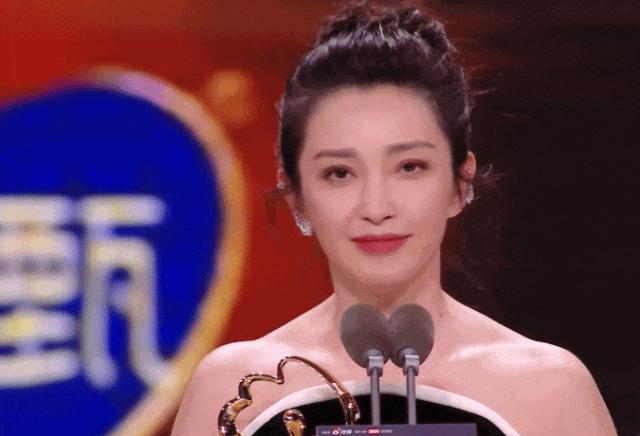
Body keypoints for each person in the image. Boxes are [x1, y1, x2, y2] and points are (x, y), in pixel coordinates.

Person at [172, 2, 616, 435]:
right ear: (297, 199)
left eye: (409, 167)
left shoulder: (550, 389)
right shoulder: (235, 389)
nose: (376, 207)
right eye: (339, 173)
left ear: (460, 182)